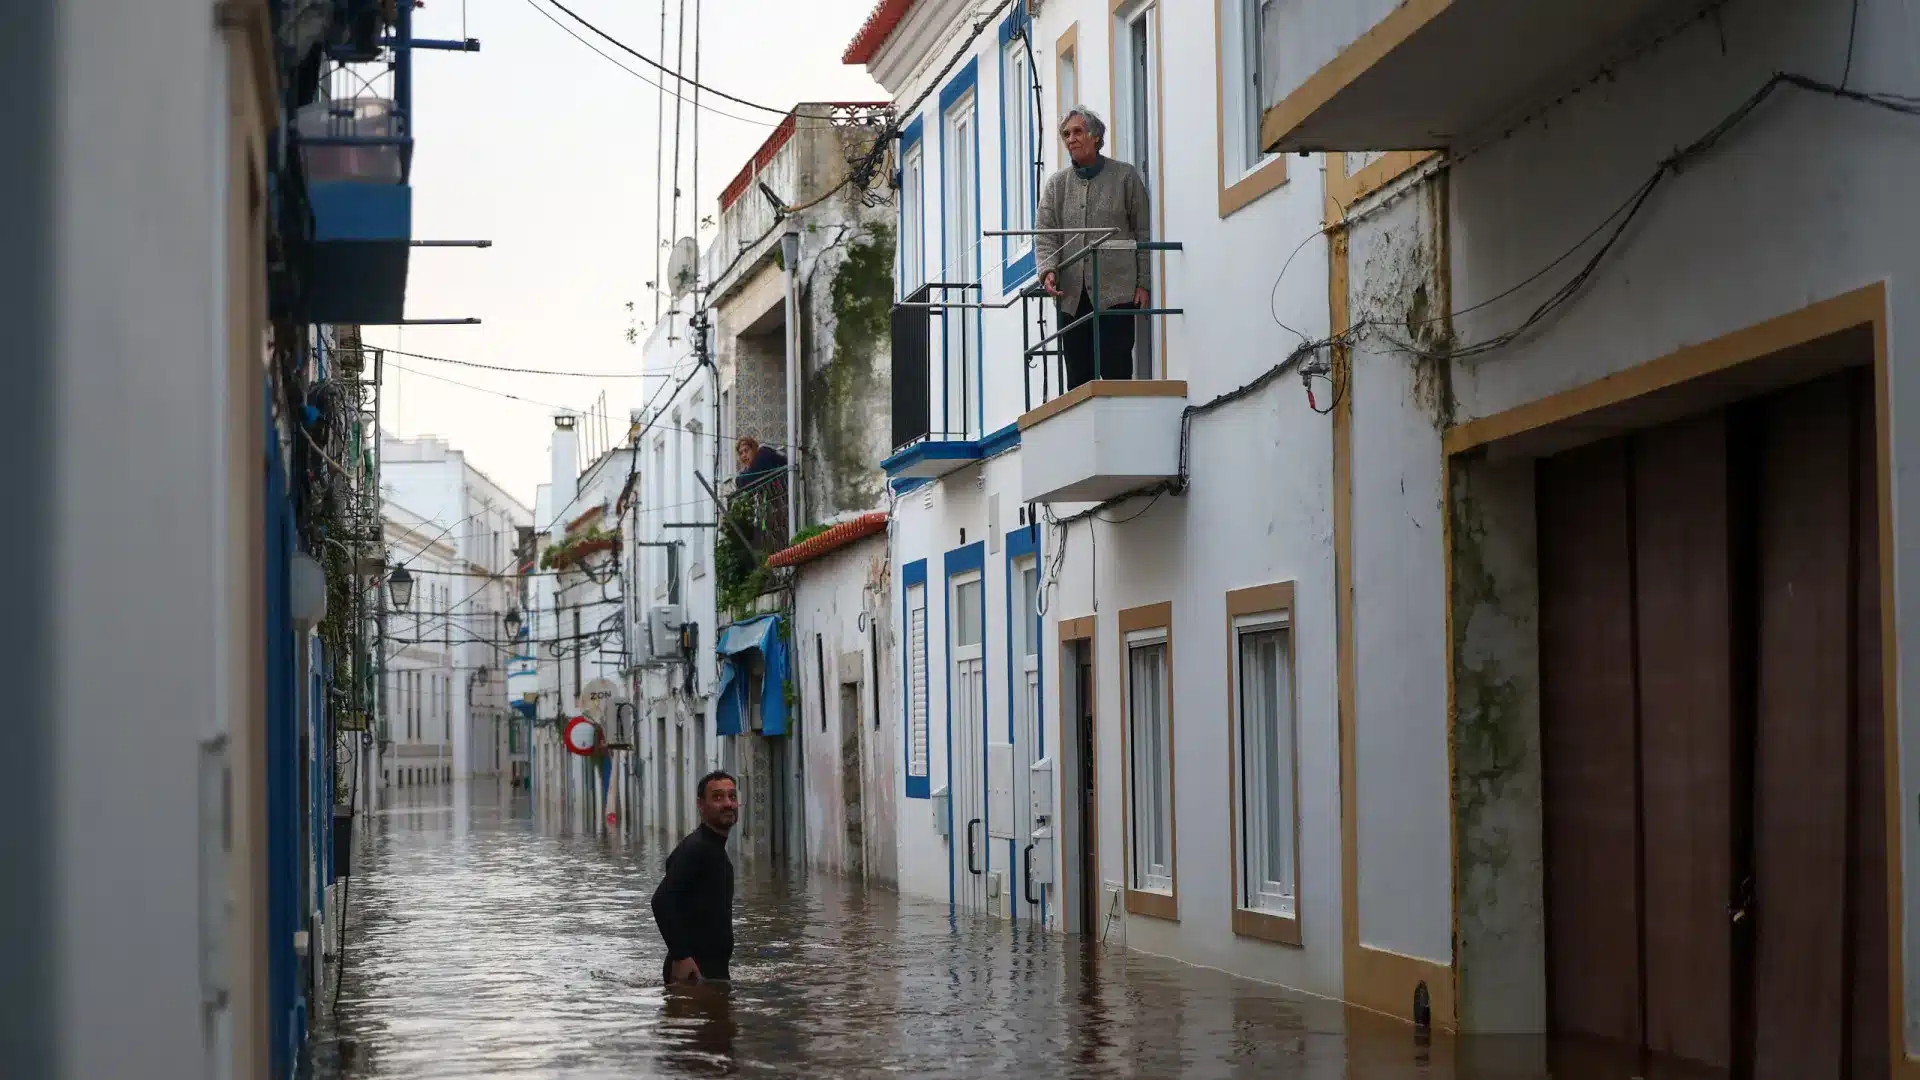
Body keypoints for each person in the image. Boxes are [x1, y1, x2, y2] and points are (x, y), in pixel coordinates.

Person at [1035, 106, 1152, 391]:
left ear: (1096, 136)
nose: (1070, 138)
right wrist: (1047, 271)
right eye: (1066, 134)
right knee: (1077, 378)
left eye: (1077, 131)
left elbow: (1144, 233)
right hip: (1072, 295)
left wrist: (1143, 282)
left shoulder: (1125, 177)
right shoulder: (1056, 185)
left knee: (1117, 369)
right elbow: (1046, 235)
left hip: (1116, 292)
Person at [651, 770, 740, 986]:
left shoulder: (712, 849)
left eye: (732, 796)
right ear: (701, 804)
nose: (728, 803)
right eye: (718, 797)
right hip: (693, 975)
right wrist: (682, 957)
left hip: (709, 973)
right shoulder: (697, 848)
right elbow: (661, 900)